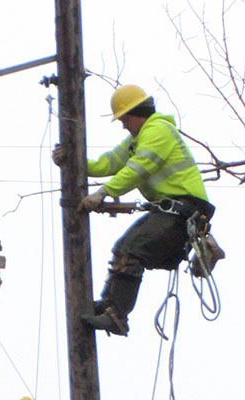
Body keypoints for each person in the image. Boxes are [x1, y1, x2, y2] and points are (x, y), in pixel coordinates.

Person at [52, 84, 215, 336]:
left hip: (185, 210)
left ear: (133, 113)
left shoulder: (159, 131)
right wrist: (73, 161)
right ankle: (110, 307)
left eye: (123, 119)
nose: (123, 125)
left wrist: (103, 193)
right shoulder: (137, 141)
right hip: (172, 211)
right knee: (123, 249)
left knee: (131, 249)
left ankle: (117, 314)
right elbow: (109, 163)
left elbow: (139, 168)